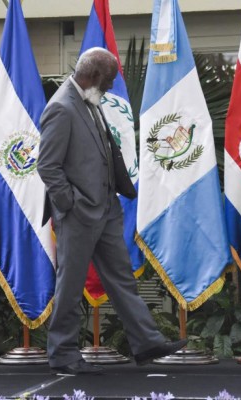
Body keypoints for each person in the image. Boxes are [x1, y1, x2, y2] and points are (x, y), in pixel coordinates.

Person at [37, 47, 187, 375]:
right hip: (78, 214)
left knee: (121, 278)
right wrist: (71, 204)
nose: (109, 87)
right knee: (71, 285)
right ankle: (63, 353)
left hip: (106, 209)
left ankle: (147, 342)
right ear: (93, 75)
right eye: (108, 81)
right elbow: (47, 166)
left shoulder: (89, 100)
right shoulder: (61, 107)